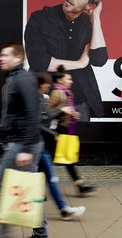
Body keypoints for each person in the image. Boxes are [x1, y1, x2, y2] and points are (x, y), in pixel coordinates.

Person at [0, 43, 47, 238]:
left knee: (0, 187)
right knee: (28, 190)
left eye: (5, 55)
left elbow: (34, 112)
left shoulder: (23, 79)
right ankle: (40, 236)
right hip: (22, 142)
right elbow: (12, 117)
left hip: (24, 143)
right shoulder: (12, 80)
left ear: (18, 58)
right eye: (0, 54)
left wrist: (26, 147)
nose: (0, 58)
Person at [25, 0, 107, 121]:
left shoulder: (88, 22)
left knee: (77, 140)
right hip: (45, 99)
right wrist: (80, 63)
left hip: (78, 102)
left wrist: (95, 19)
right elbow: (39, 62)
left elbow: (99, 59)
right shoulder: (40, 18)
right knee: (43, 139)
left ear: (89, 5)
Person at [36, 72, 86, 220]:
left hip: (44, 138)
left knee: (47, 173)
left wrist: (69, 113)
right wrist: (55, 129)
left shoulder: (60, 94)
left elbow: (45, 117)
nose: (49, 87)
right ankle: (63, 207)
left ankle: (63, 208)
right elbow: (44, 118)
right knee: (49, 174)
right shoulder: (52, 95)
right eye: (46, 84)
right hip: (38, 140)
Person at [49, 66, 95, 194]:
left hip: (67, 129)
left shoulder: (67, 93)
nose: (71, 81)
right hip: (58, 131)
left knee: (68, 158)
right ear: (60, 80)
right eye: (68, 79)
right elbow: (48, 112)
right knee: (51, 159)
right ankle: (79, 184)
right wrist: (62, 111)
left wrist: (73, 113)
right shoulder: (57, 93)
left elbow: (63, 110)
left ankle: (79, 184)